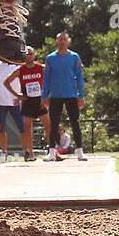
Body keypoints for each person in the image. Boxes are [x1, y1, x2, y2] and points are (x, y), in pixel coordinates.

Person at [42, 31, 86, 161]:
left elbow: (79, 76)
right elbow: (47, 78)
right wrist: (44, 95)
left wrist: (81, 94)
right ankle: (51, 151)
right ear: (56, 42)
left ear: (68, 41)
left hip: (71, 94)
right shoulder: (50, 58)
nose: (62, 42)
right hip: (55, 95)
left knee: (75, 122)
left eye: (64, 39)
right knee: (54, 123)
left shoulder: (74, 57)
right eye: (60, 39)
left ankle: (80, 151)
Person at [5, 47, 47, 160]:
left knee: (49, 124)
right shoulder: (20, 70)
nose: (29, 56)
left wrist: (47, 95)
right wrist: (18, 95)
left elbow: (52, 78)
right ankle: (29, 153)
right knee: (27, 128)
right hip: (27, 100)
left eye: (31, 54)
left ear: (35, 55)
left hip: (40, 100)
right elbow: (6, 82)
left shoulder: (41, 68)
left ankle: (52, 149)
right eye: (27, 54)